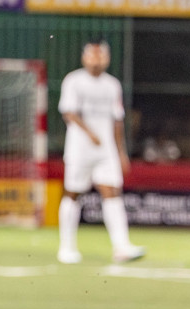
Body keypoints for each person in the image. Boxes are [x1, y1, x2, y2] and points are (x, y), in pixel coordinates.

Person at [57, 38, 144, 264]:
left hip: (105, 153)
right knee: (73, 193)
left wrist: (121, 152)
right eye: (93, 55)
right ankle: (66, 248)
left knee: (112, 193)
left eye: (101, 55)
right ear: (84, 57)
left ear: (107, 58)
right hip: (79, 150)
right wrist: (90, 133)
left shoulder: (112, 85)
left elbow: (117, 122)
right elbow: (69, 113)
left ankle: (122, 247)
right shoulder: (74, 81)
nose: (97, 59)